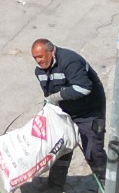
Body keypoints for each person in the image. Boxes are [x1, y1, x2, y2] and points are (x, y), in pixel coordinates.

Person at [29, 37, 108, 182]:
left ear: (51, 52)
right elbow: (48, 94)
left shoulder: (70, 61)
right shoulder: (39, 71)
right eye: (35, 58)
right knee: (59, 148)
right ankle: (54, 187)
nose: (38, 61)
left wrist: (56, 97)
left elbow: (83, 88)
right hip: (65, 112)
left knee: (93, 151)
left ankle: (107, 187)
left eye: (40, 56)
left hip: (88, 111)